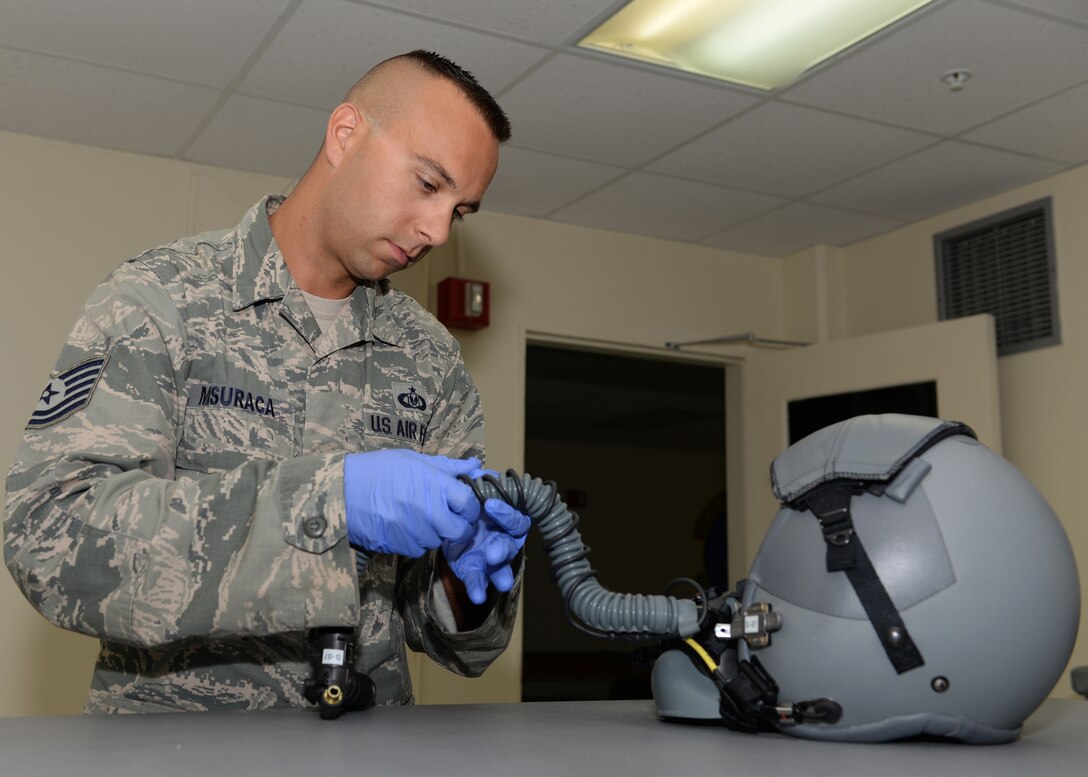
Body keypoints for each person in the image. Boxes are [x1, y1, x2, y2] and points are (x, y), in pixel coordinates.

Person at [3, 50, 530, 713]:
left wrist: (464, 579)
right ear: (345, 135)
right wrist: (326, 502)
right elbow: (48, 539)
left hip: (368, 750)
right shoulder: (165, 298)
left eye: (460, 211)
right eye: (428, 184)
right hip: (175, 752)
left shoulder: (429, 359)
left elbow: (453, 643)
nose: (436, 230)